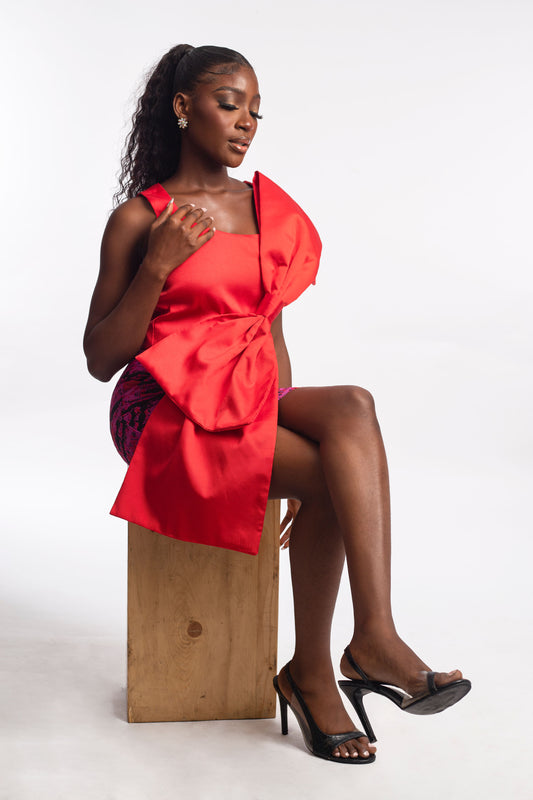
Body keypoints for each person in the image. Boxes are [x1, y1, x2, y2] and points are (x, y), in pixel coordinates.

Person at [84, 44, 471, 764]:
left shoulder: (268, 211)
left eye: (255, 111)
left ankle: (373, 634)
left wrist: (278, 435)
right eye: (230, 103)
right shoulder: (140, 219)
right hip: (162, 405)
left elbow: (269, 336)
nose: (246, 123)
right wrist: (157, 268)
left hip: (246, 389)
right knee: (332, 474)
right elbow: (101, 359)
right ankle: (319, 671)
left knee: (352, 405)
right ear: (183, 107)